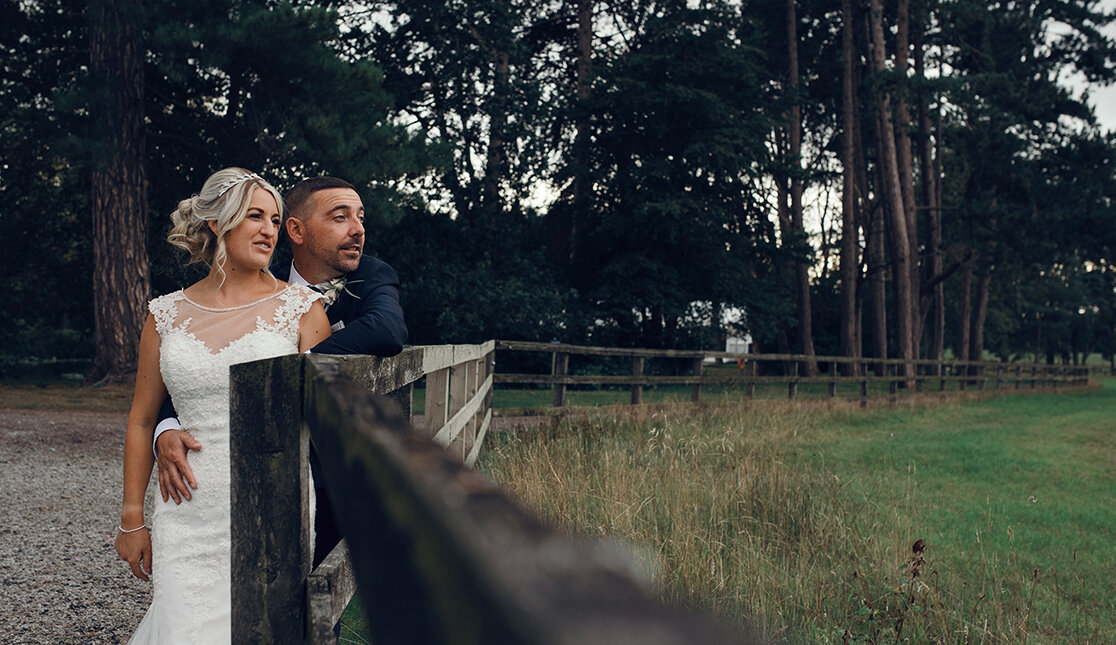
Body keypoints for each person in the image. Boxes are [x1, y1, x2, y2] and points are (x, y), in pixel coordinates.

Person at [114, 168, 332, 641]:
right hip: (185, 504)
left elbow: (329, 418)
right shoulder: (165, 315)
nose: (269, 231)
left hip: (274, 504)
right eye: (255, 216)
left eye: (274, 220)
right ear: (217, 223)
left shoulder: (302, 308)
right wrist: (132, 518)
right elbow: (142, 417)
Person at [153, 176, 407, 564]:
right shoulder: (254, 281)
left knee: (313, 597)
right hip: (220, 470)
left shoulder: (372, 275)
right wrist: (166, 425)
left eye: (360, 218)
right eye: (341, 217)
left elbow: (387, 331)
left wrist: (284, 370)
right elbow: (204, 361)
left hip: (325, 468)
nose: (358, 230)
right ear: (296, 230)